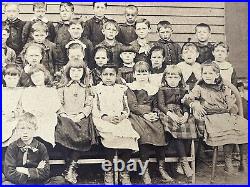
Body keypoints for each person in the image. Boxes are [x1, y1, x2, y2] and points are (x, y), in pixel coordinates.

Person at [183, 62, 248, 175]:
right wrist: (195, 104)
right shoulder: (199, 87)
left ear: (217, 75)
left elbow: (230, 104)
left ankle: (243, 160)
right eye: (205, 73)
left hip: (225, 115)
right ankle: (228, 162)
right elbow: (186, 99)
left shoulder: (223, 87)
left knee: (244, 126)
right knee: (228, 129)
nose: (207, 75)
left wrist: (230, 102)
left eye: (210, 73)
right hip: (211, 117)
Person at [92, 63, 140, 184]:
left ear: (116, 76)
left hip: (120, 119)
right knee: (110, 137)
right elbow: (95, 108)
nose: (108, 77)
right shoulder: (97, 89)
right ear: (101, 76)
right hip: (104, 119)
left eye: (111, 75)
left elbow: (126, 107)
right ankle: (108, 171)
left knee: (129, 136)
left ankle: (124, 171)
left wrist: (123, 116)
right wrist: (106, 117)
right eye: (105, 74)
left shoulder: (121, 89)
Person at [127, 61, 172, 184]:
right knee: (143, 133)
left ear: (149, 74)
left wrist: (155, 113)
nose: (142, 76)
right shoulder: (131, 87)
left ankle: (161, 168)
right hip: (137, 115)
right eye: (139, 73)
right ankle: (144, 171)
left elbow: (157, 105)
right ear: (134, 75)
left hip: (151, 114)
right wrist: (144, 114)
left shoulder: (153, 88)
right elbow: (132, 105)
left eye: (144, 73)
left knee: (159, 130)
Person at [55, 59, 97, 184]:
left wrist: (81, 114)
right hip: (66, 117)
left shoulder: (87, 88)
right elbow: (59, 103)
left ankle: (71, 166)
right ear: (68, 72)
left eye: (79, 70)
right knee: (62, 133)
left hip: (81, 117)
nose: (76, 73)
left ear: (84, 72)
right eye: (73, 70)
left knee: (83, 134)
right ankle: (68, 165)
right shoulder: (62, 87)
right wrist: (64, 114)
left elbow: (89, 104)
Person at [158, 65, 197, 178]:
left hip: (180, 112)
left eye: (175, 77)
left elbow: (184, 104)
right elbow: (161, 105)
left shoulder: (183, 89)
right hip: (167, 113)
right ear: (165, 78)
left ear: (180, 78)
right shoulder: (162, 89)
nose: (172, 80)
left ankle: (181, 163)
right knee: (176, 129)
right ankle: (184, 162)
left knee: (189, 125)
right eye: (169, 77)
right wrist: (171, 114)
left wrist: (185, 114)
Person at [3, 112, 50, 184]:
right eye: (22, 128)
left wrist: (24, 170)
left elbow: (45, 172)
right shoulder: (12, 147)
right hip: (18, 182)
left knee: (59, 180)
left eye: (29, 128)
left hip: (37, 182)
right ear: (17, 129)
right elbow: (9, 172)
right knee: (6, 184)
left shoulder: (41, 147)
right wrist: (35, 171)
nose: (25, 132)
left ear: (35, 129)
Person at [21, 64, 61, 148]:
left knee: (47, 123)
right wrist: (33, 112)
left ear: (45, 75)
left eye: (38, 75)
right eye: (33, 76)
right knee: (31, 124)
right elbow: (25, 104)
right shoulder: (28, 90)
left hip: (47, 114)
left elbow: (56, 104)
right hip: (33, 115)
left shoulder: (51, 90)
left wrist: (46, 111)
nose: (36, 78)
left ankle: (45, 147)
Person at [2, 64, 23, 147]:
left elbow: (21, 106)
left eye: (15, 78)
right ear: (4, 77)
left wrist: (14, 114)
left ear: (18, 78)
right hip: (3, 115)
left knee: (14, 126)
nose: (12, 81)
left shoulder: (20, 91)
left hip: (14, 117)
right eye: (9, 78)